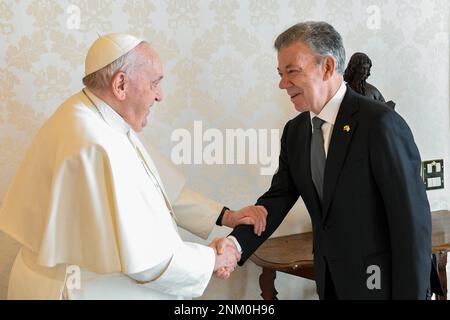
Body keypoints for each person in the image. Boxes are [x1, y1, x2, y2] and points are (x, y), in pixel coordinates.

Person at [0, 33, 267, 300]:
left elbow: (162, 191)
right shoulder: (94, 141)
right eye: (154, 84)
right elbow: (147, 260)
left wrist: (225, 216)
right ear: (120, 84)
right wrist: (212, 260)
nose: (160, 96)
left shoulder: (97, 116)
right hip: (79, 288)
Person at [220, 21, 432, 299]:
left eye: (291, 72)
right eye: (280, 74)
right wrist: (235, 245)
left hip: (382, 284)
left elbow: (412, 224)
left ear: (328, 67)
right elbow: (278, 199)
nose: (282, 84)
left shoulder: (379, 124)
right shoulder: (295, 132)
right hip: (331, 281)